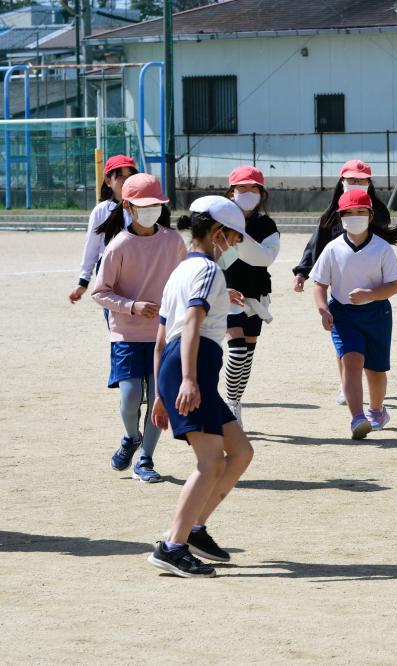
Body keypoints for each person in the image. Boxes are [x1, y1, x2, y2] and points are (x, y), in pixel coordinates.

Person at [148, 196, 256, 578]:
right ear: (216, 233)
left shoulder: (181, 272)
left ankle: (194, 530)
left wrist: (161, 391)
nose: (234, 245)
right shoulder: (209, 270)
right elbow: (191, 324)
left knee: (240, 452)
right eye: (233, 238)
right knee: (210, 462)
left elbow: (162, 338)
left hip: (180, 365)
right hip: (192, 366)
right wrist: (189, 380)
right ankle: (172, 546)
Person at [91, 174, 186, 482]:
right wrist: (133, 306)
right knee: (131, 397)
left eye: (156, 205)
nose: (151, 210)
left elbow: (188, 277)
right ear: (128, 207)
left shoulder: (172, 241)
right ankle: (131, 437)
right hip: (127, 335)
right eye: (144, 205)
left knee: (160, 398)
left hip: (164, 334)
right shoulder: (118, 245)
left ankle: (145, 458)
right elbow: (99, 292)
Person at [293, 159, 397, 405]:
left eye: (362, 180)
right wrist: (302, 271)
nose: (356, 183)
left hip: (371, 293)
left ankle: (369, 394)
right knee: (345, 346)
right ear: (341, 182)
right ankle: (346, 383)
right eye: (351, 179)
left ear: (370, 183)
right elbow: (316, 246)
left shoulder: (379, 215)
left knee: (371, 357)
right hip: (341, 293)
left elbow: (381, 249)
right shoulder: (331, 216)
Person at [310, 190, 397, 440]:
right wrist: (323, 309)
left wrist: (370, 294)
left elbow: (394, 285)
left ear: (371, 215)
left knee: (375, 370)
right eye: (349, 213)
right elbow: (319, 284)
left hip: (377, 314)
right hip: (343, 315)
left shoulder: (382, 248)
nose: (355, 217)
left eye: (361, 212)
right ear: (340, 217)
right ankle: (357, 418)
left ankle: (377, 411)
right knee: (351, 362)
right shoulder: (332, 248)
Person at [221, 166, 281, 424]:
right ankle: (228, 403)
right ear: (231, 191)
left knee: (247, 356)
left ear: (261, 192)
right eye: (241, 188)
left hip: (255, 295)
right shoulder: (220, 221)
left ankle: (235, 401)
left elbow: (265, 258)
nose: (247, 193)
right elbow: (215, 259)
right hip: (226, 294)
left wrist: (239, 239)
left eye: (253, 188)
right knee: (235, 352)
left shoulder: (266, 224)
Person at [68, 155, 137, 306]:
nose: (126, 181)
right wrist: (83, 281)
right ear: (108, 181)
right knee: (114, 317)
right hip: (108, 270)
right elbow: (91, 247)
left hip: (137, 268)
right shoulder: (101, 211)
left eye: (130, 176)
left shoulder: (143, 207)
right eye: (120, 177)